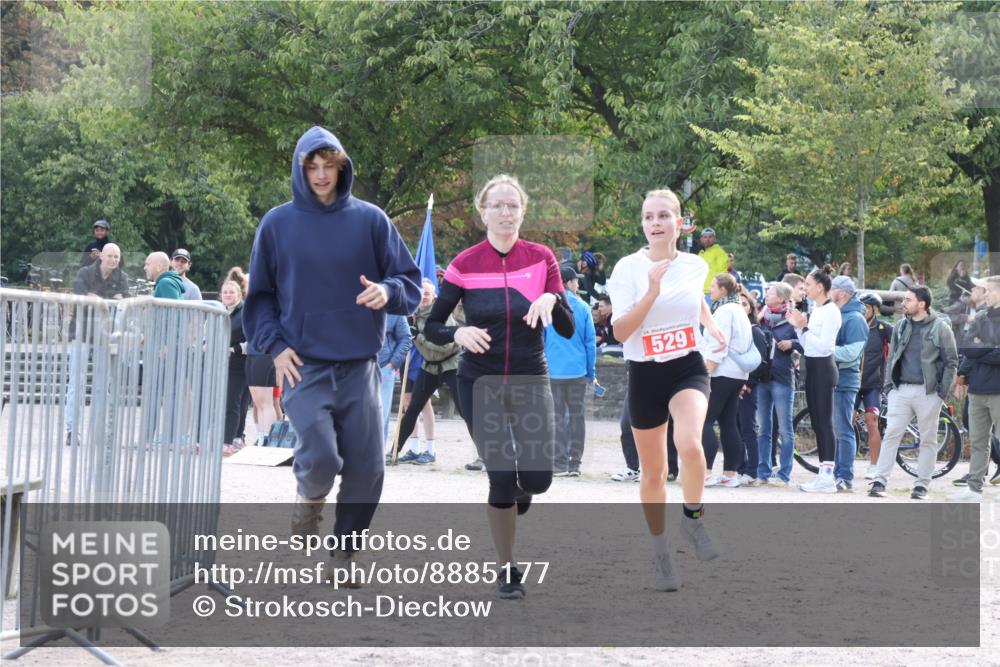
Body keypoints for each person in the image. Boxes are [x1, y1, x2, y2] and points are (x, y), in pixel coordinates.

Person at [243, 126, 422, 575]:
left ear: (343, 167)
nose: (321, 176)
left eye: (329, 166)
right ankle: (309, 495)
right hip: (302, 364)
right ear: (300, 169)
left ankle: (344, 556)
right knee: (321, 456)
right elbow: (260, 297)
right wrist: (276, 348)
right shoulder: (277, 224)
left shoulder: (372, 220)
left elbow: (410, 282)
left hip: (361, 365)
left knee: (367, 468)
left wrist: (387, 291)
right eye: (312, 167)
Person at [424, 174, 574, 599]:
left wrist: (553, 300)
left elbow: (564, 329)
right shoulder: (465, 263)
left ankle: (523, 489)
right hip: (480, 380)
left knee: (539, 479)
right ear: (483, 211)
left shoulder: (542, 258)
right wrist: (458, 334)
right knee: (501, 475)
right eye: (498, 205)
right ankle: (507, 568)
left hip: (529, 375)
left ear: (523, 211)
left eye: (513, 206)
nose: (506, 213)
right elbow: (433, 324)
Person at [607, 187, 727, 592]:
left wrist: (708, 323)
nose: (655, 223)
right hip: (644, 373)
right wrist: (651, 293)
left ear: (680, 222)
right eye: (648, 217)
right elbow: (621, 330)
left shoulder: (694, 265)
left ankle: (693, 521)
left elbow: (692, 298)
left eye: (663, 216)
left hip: (686, 368)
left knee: (692, 444)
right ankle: (661, 554)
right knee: (654, 473)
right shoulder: (627, 269)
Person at [869, 286, 958, 499]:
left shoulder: (941, 328)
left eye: (908, 300)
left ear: (922, 304)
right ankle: (879, 482)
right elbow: (892, 358)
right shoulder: (900, 326)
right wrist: (890, 386)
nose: (903, 303)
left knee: (928, 440)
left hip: (929, 393)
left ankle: (921, 486)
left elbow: (952, 362)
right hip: (900, 391)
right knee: (891, 435)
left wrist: (941, 393)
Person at [388, 279, 466, 465]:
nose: (423, 297)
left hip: (451, 364)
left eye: (427, 294)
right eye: (420, 293)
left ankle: (486, 455)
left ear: (434, 297)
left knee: (465, 409)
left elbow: (446, 346)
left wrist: (418, 338)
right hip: (429, 366)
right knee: (413, 408)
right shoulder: (413, 316)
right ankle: (394, 452)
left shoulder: (441, 315)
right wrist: (409, 332)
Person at [66, 243, 128, 446]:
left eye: (117, 257)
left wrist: (97, 299)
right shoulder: (85, 272)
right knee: (77, 383)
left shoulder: (122, 277)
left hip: (105, 335)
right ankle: (72, 431)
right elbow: (81, 296)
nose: (113, 260)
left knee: (103, 386)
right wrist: (109, 299)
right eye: (110, 256)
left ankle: (97, 430)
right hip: (82, 333)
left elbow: (124, 302)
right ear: (101, 256)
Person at [786, 267, 842, 492]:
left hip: (824, 368)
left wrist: (804, 327)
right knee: (817, 422)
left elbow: (824, 346)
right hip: (812, 366)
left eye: (808, 284)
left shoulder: (831, 311)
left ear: (820, 286)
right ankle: (822, 473)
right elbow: (808, 344)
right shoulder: (817, 310)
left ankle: (828, 477)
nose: (805, 289)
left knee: (825, 422)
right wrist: (798, 327)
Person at [950, 276, 1000, 502]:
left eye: (988, 290)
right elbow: (967, 348)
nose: (984, 294)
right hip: (977, 390)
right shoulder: (980, 317)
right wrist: (988, 349)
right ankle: (974, 488)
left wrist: (982, 349)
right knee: (979, 441)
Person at [545, 265, 597, 477]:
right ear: (567, 282)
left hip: (553, 371)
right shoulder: (583, 307)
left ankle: (559, 462)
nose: (578, 284)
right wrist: (591, 372)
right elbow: (590, 342)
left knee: (556, 417)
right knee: (577, 417)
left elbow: (542, 339)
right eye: (575, 281)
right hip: (577, 371)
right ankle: (575, 463)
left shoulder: (547, 306)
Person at [701, 273, 752, 487]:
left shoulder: (722, 311)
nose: (710, 290)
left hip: (720, 372)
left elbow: (717, 344)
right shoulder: (739, 310)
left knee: (704, 421)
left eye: (713, 286)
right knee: (729, 422)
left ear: (723, 290)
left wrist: (706, 374)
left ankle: (706, 472)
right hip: (738, 374)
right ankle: (730, 474)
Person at [826, 276, 869, 492]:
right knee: (835, 429)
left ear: (842, 293)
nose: (828, 291)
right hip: (834, 379)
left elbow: (852, 353)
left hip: (845, 381)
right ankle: (834, 475)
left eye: (831, 288)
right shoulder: (839, 314)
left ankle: (845, 477)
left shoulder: (855, 319)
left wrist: (825, 349)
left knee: (843, 430)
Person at [755, 282, 800, 486]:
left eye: (770, 292)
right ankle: (762, 471)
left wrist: (792, 344)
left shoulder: (792, 319)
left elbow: (807, 343)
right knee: (763, 427)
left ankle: (784, 473)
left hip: (783, 378)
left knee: (785, 428)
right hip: (762, 379)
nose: (766, 294)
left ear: (782, 298)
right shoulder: (761, 318)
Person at [857, 292, 893, 480]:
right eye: (860, 306)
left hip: (873, 384)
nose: (863, 310)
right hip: (853, 383)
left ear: (875, 309)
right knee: (847, 420)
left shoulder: (883, 329)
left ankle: (874, 465)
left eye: (867, 307)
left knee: (872, 421)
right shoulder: (853, 325)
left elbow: (901, 345)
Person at [736, 285, 764, 485]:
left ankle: (752, 470)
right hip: (733, 386)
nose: (740, 306)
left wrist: (749, 384)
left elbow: (760, 362)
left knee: (748, 428)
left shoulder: (755, 332)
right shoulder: (734, 331)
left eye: (744, 304)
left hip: (747, 388)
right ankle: (739, 467)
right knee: (735, 428)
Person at [220, 279, 250, 457]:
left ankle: (229, 442)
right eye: (225, 292)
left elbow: (253, 337)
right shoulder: (217, 311)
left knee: (232, 401)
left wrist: (235, 348)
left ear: (239, 295)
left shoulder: (245, 312)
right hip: (219, 364)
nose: (228, 295)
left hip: (239, 364)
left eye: (232, 292)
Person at [377, 313, 412, 450]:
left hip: (384, 367)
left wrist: (392, 364)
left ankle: (377, 456)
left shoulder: (395, 309)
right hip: (357, 367)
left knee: (382, 414)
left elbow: (406, 338)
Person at [697, 228, 728, 298]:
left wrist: (719, 290)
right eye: (705, 237)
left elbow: (723, 273)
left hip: (711, 292)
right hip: (699, 291)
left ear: (714, 239)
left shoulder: (719, 252)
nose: (707, 239)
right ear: (701, 239)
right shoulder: (701, 253)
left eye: (710, 237)